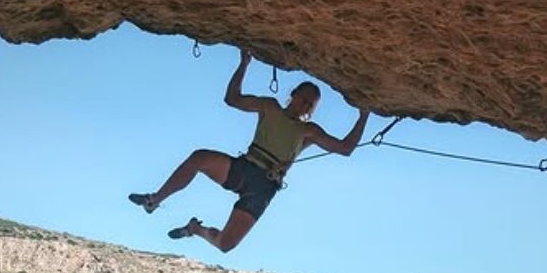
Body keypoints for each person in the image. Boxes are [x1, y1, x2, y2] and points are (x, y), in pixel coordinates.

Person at [129, 48, 370, 252]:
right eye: (303, 98)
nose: (305, 105)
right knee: (199, 158)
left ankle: (195, 229)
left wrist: (363, 116)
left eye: (310, 104)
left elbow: (345, 148)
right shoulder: (269, 106)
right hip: (245, 168)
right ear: (293, 95)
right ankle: (153, 200)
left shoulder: (310, 131)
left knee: (226, 244)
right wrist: (244, 63)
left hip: (264, 186)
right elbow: (232, 99)